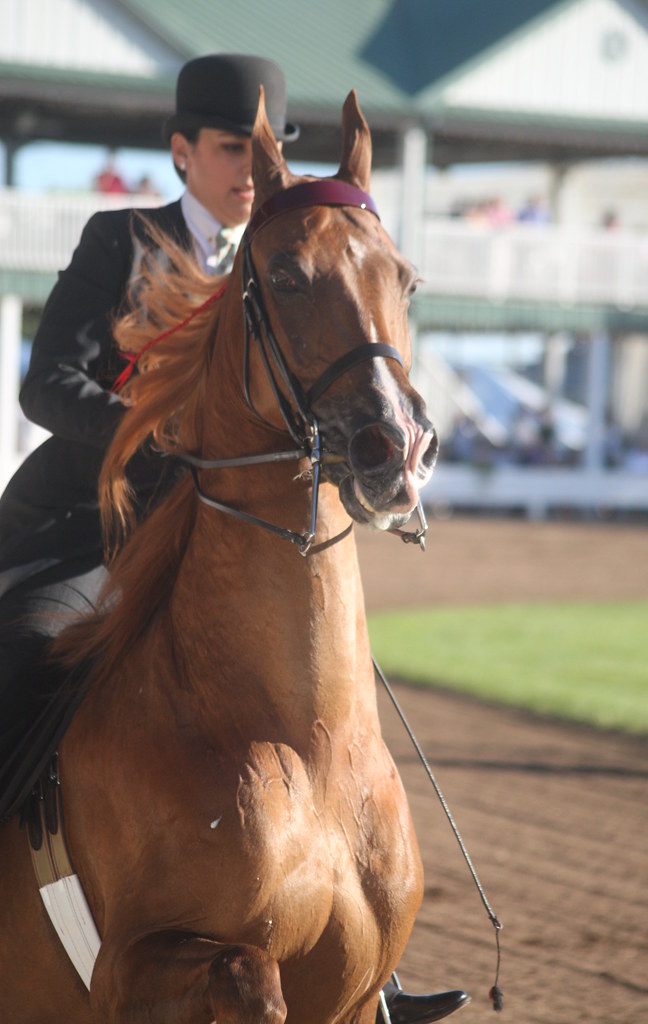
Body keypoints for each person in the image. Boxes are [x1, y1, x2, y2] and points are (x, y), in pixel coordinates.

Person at [0, 54, 468, 1022]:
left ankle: (361, 966)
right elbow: (45, 386)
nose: (250, 170)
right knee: (21, 650)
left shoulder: (303, 253)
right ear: (182, 153)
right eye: (228, 149)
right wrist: (154, 431)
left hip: (233, 532)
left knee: (324, 697)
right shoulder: (118, 241)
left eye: (263, 152)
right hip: (96, 528)